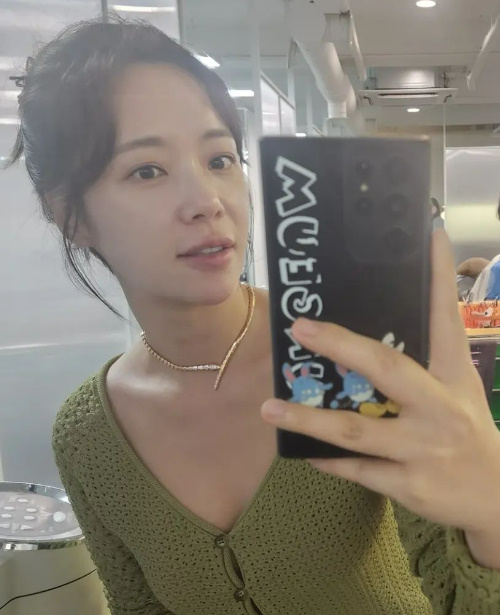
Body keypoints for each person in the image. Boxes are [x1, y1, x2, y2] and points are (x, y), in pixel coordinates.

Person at [6, 16, 500, 615]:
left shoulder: (345, 355)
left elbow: (457, 590)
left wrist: (491, 512)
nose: (207, 202)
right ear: (70, 215)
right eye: (146, 170)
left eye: (220, 159)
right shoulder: (87, 437)